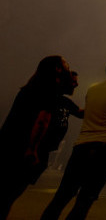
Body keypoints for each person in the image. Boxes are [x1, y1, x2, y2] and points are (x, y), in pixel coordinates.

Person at [40, 58, 106, 220]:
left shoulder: (93, 88)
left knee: (63, 195)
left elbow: (92, 112)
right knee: (86, 197)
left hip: (82, 144)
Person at [0, 56, 76, 219]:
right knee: (9, 196)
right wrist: (32, 149)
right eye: (65, 64)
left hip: (8, 144)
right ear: (57, 69)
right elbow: (42, 120)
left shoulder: (29, 88)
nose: (68, 67)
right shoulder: (50, 89)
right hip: (27, 150)